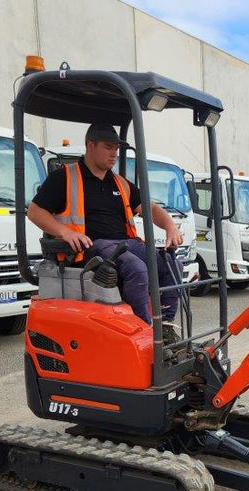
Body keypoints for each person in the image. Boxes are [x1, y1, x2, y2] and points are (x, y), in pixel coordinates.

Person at [27, 123, 184, 342]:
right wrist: (65, 232)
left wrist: (170, 225)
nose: (114, 154)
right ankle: (145, 333)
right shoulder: (64, 178)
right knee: (136, 269)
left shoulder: (119, 183)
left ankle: (165, 327)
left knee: (171, 264)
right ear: (90, 145)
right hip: (91, 248)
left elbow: (151, 209)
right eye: (108, 147)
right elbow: (34, 212)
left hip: (125, 244)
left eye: (116, 149)